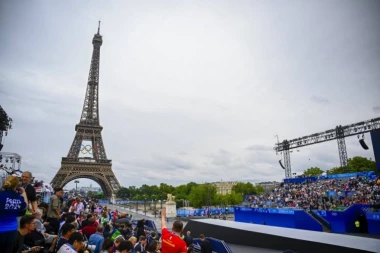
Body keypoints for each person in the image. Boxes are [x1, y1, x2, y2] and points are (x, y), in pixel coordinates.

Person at [0, 176, 28, 253]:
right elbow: (25, 206)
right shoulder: (19, 198)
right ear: (17, 186)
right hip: (12, 231)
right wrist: (24, 193)